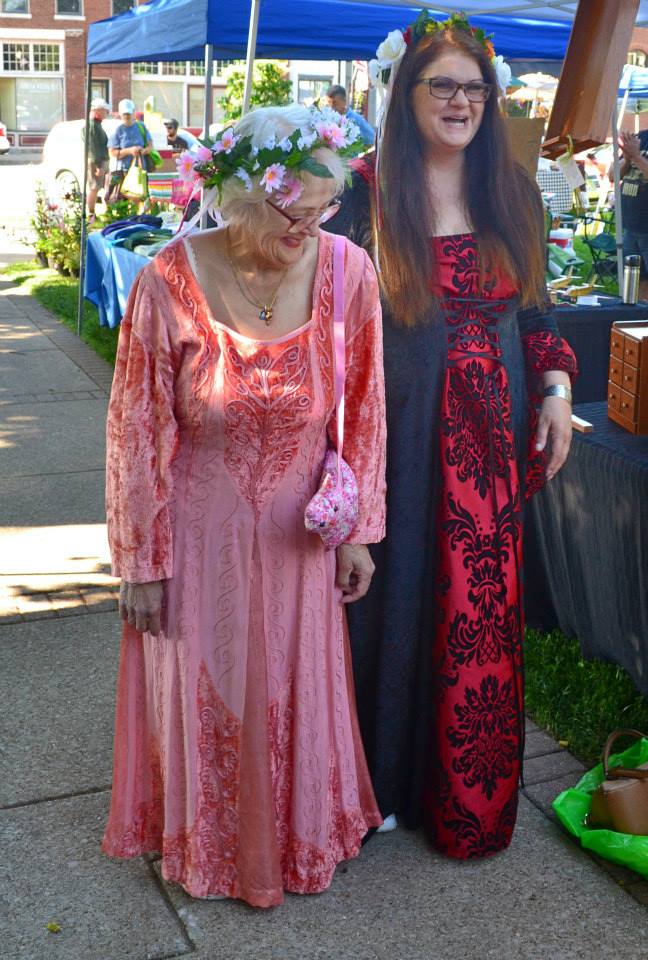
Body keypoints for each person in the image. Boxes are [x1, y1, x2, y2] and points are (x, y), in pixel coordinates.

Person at [102, 104, 387, 907]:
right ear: (238, 198)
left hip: (302, 536)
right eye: (290, 212)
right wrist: (141, 561)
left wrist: (359, 532)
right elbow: (135, 429)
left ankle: (297, 841)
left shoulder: (349, 272)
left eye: (324, 208)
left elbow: (365, 409)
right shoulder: (167, 280)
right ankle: (214, 848)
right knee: (210, 686)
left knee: (292, 688)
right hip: (197, 536)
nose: (310, 227)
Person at [325, 11, 576, 856]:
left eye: (475, 88)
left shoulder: (512, 191)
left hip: (487, 448)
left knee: (474, 613)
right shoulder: (362, 193)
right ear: (407, 93)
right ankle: (378, 789)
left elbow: (535, 309)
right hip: (392, 435)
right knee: (388, 603)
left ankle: (462, 802)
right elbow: (323, 321)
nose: (461, 102)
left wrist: (553, 386)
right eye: (443, 86)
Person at [617, 129, 648, 300]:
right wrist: (628, 158)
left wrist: (635, 156)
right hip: (631, 226)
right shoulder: (641, 137)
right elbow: (613, 175)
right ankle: (643, 312)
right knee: (637, 278)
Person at [106, 98, 153, 201]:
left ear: (133, 112)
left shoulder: (141, 127)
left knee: (140, 199)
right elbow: (112, 152)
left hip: (140, 171)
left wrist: (142, 151)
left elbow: (150, 146)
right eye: (124, 114)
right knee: (122, 201)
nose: (127, 116)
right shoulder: (118, 130)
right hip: (123, 172)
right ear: (120, 114)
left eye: (129, 113)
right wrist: (129, 151)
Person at [83, 97, 109, 220]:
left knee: (96, 188)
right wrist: (98, 165)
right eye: (104, 110)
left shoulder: (97, 125)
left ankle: (93, 213)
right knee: (94, 187)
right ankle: (91, 214)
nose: (106, 113)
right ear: (97, 110)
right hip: (95, 161)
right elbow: (93, 147)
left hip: (98, 159)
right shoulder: (92, 126)